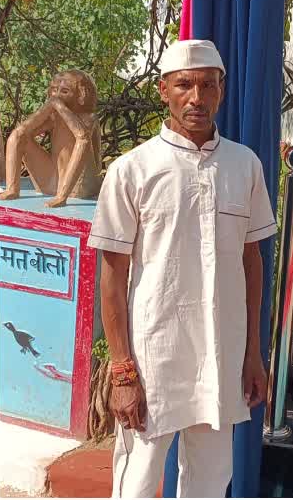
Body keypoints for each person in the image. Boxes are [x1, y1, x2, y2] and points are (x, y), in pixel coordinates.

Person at [90, 40, 275, 497]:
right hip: (155, 356)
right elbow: (111, 276)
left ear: (221, 91)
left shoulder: (244, 165)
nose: (196, 97)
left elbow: (252, 263)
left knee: (211, 481)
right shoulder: (133, 170)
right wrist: (122, 371)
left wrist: (253, 353)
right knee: (136, 480)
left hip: (221, 353)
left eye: (207, 86)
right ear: (163, 91)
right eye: (184, 85)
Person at [0, 70, 102, 207]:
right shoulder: (55, 117)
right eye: (54, 90)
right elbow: (22, 132)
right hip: (53, 180)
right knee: (18, 136)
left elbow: (82, 137)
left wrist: (59, 106)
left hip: (81, 187)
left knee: (82, 140)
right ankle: (12, 188)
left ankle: (63, 195)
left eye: (64, 91)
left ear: (81, 95)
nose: (57, 96)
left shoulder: (89, 118)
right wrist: (48, 108)